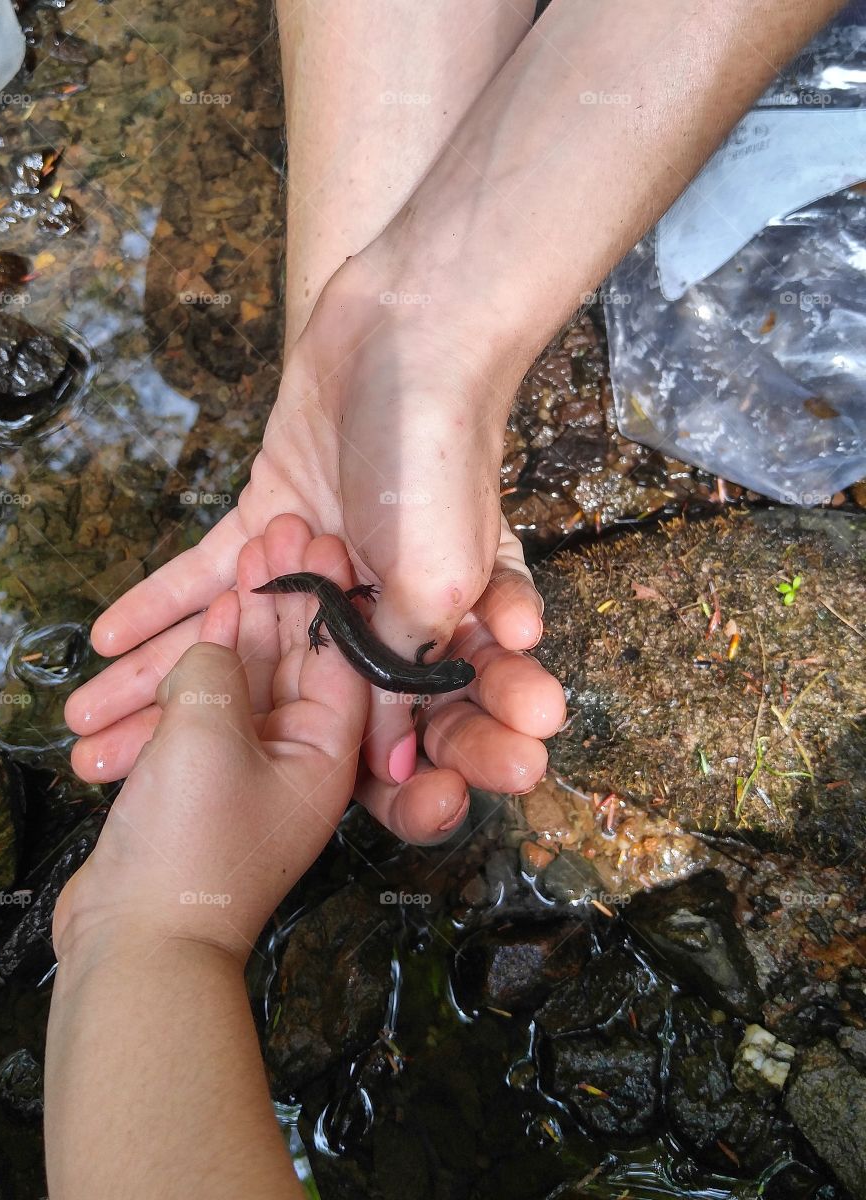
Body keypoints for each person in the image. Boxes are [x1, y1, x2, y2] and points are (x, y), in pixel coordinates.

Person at [64, 0, 846, 846]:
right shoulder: (415, 655)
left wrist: (416, 340)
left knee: (341, 615)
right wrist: (396, 338)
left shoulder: (415, 655)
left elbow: (362, 623)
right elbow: (358, 623)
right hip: (346, 612)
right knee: (339, 614)